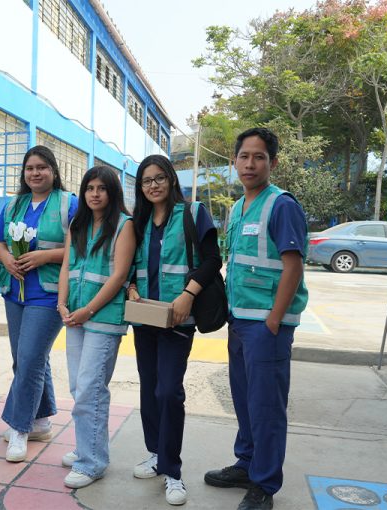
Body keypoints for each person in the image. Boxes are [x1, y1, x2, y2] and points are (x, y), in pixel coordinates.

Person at [203, 128, 307, 510]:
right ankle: (247, 464)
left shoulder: (281, 205)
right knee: (246, 401)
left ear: (273, 163)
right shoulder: (238, 208)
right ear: (234, 161)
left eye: (259, 157)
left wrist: (275, 321)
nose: (250, 164)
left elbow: (292, 266)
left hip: (266, 325)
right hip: (239, 320)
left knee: (266, 407)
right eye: (244, 156)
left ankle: (264, 484)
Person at [127, 154, 222, 506]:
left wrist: (187, 295)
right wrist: (129, 288)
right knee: (150, 390)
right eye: (146, 180)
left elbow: (213, 259)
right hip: (144, 317)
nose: (153, 185)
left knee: (169, 391)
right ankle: (155, 453)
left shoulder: (193, 213)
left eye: (159, 178)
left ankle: (173, 471)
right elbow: (125, 263)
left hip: (179, 318)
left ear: (170, 179)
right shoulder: (137, 221)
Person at [0, 145, 78, 463]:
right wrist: (8, 262)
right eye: (30, 168)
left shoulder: (69, 204)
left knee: (29, 358)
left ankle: (20, 427)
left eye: (42, 167)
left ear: (53, 171)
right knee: (26, 359)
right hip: (16, 292)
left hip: (49, 293)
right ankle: (41, 420)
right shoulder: (15, 204)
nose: (35, 173)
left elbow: (79, 246)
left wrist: (45, 256)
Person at [57, 166, 135, 488]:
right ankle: (86, 447)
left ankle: (92, 463)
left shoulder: (124, 226)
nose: (95, 193)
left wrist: (87, 310)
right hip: (75, 314)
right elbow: (66, 266)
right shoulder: (78, 224)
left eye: (102, 188)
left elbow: (118, 276)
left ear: (112, 191)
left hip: (102, 317)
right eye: (90, 188)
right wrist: (62, 304)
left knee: (91, 388)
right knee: (79, 387)